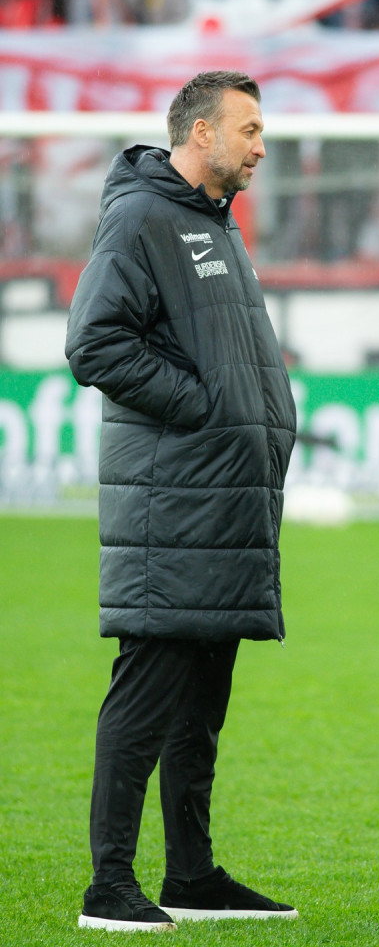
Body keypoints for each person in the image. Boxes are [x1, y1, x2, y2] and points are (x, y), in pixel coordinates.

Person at [65, 70, 298, 933]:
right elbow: (95, 342)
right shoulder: (141, 216)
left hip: (221, 508)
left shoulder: (213, 220)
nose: (261, 147)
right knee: (146, 695)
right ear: (202, 134)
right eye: (250, 129)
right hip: (174, 508)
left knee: (200, 707)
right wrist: (204, 409)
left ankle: (191, 877)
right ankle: (109, 886)